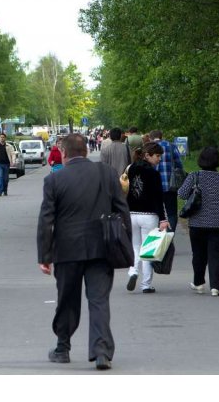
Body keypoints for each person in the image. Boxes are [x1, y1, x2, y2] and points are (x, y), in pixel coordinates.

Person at [37, 133, 131, 371]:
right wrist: (125, 242)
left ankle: (62, 348)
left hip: (67, 250)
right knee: (99, 300)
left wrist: (44, 256)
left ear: (64, 154)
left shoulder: (54, 181)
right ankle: (101, 352)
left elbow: (46, 220)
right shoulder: (107, 174)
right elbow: (122, 210)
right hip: (102, 247)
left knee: (67, 299)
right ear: (86, 152)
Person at [178, 147, 219, 296]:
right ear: (217, 161)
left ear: (200, 160)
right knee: (217, 254)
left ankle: (198, 283)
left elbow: (181, 193)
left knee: (198, 254)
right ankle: (216, 286)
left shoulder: (194, 176)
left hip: (198, 222)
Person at [125, 142, 169, 294]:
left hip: (131, 214)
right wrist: (163, 219)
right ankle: (146, 285)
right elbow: (158, 198)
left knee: (135, 246)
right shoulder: (154, 174)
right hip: (149, 215)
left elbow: (125, 190)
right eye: (157, 156)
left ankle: (133, 271)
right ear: (147, 155)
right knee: (148, 250)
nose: (159, 160)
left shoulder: (130, 169)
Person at [149, 129, 185, 233]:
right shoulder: (171, 146)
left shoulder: (148, 148)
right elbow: (179, 165)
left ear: (151, 138)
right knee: (171, 213)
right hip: (170, 185)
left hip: (153, 187)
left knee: (155, 212)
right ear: (161, 136)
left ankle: (157, 233)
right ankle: (169, 235)